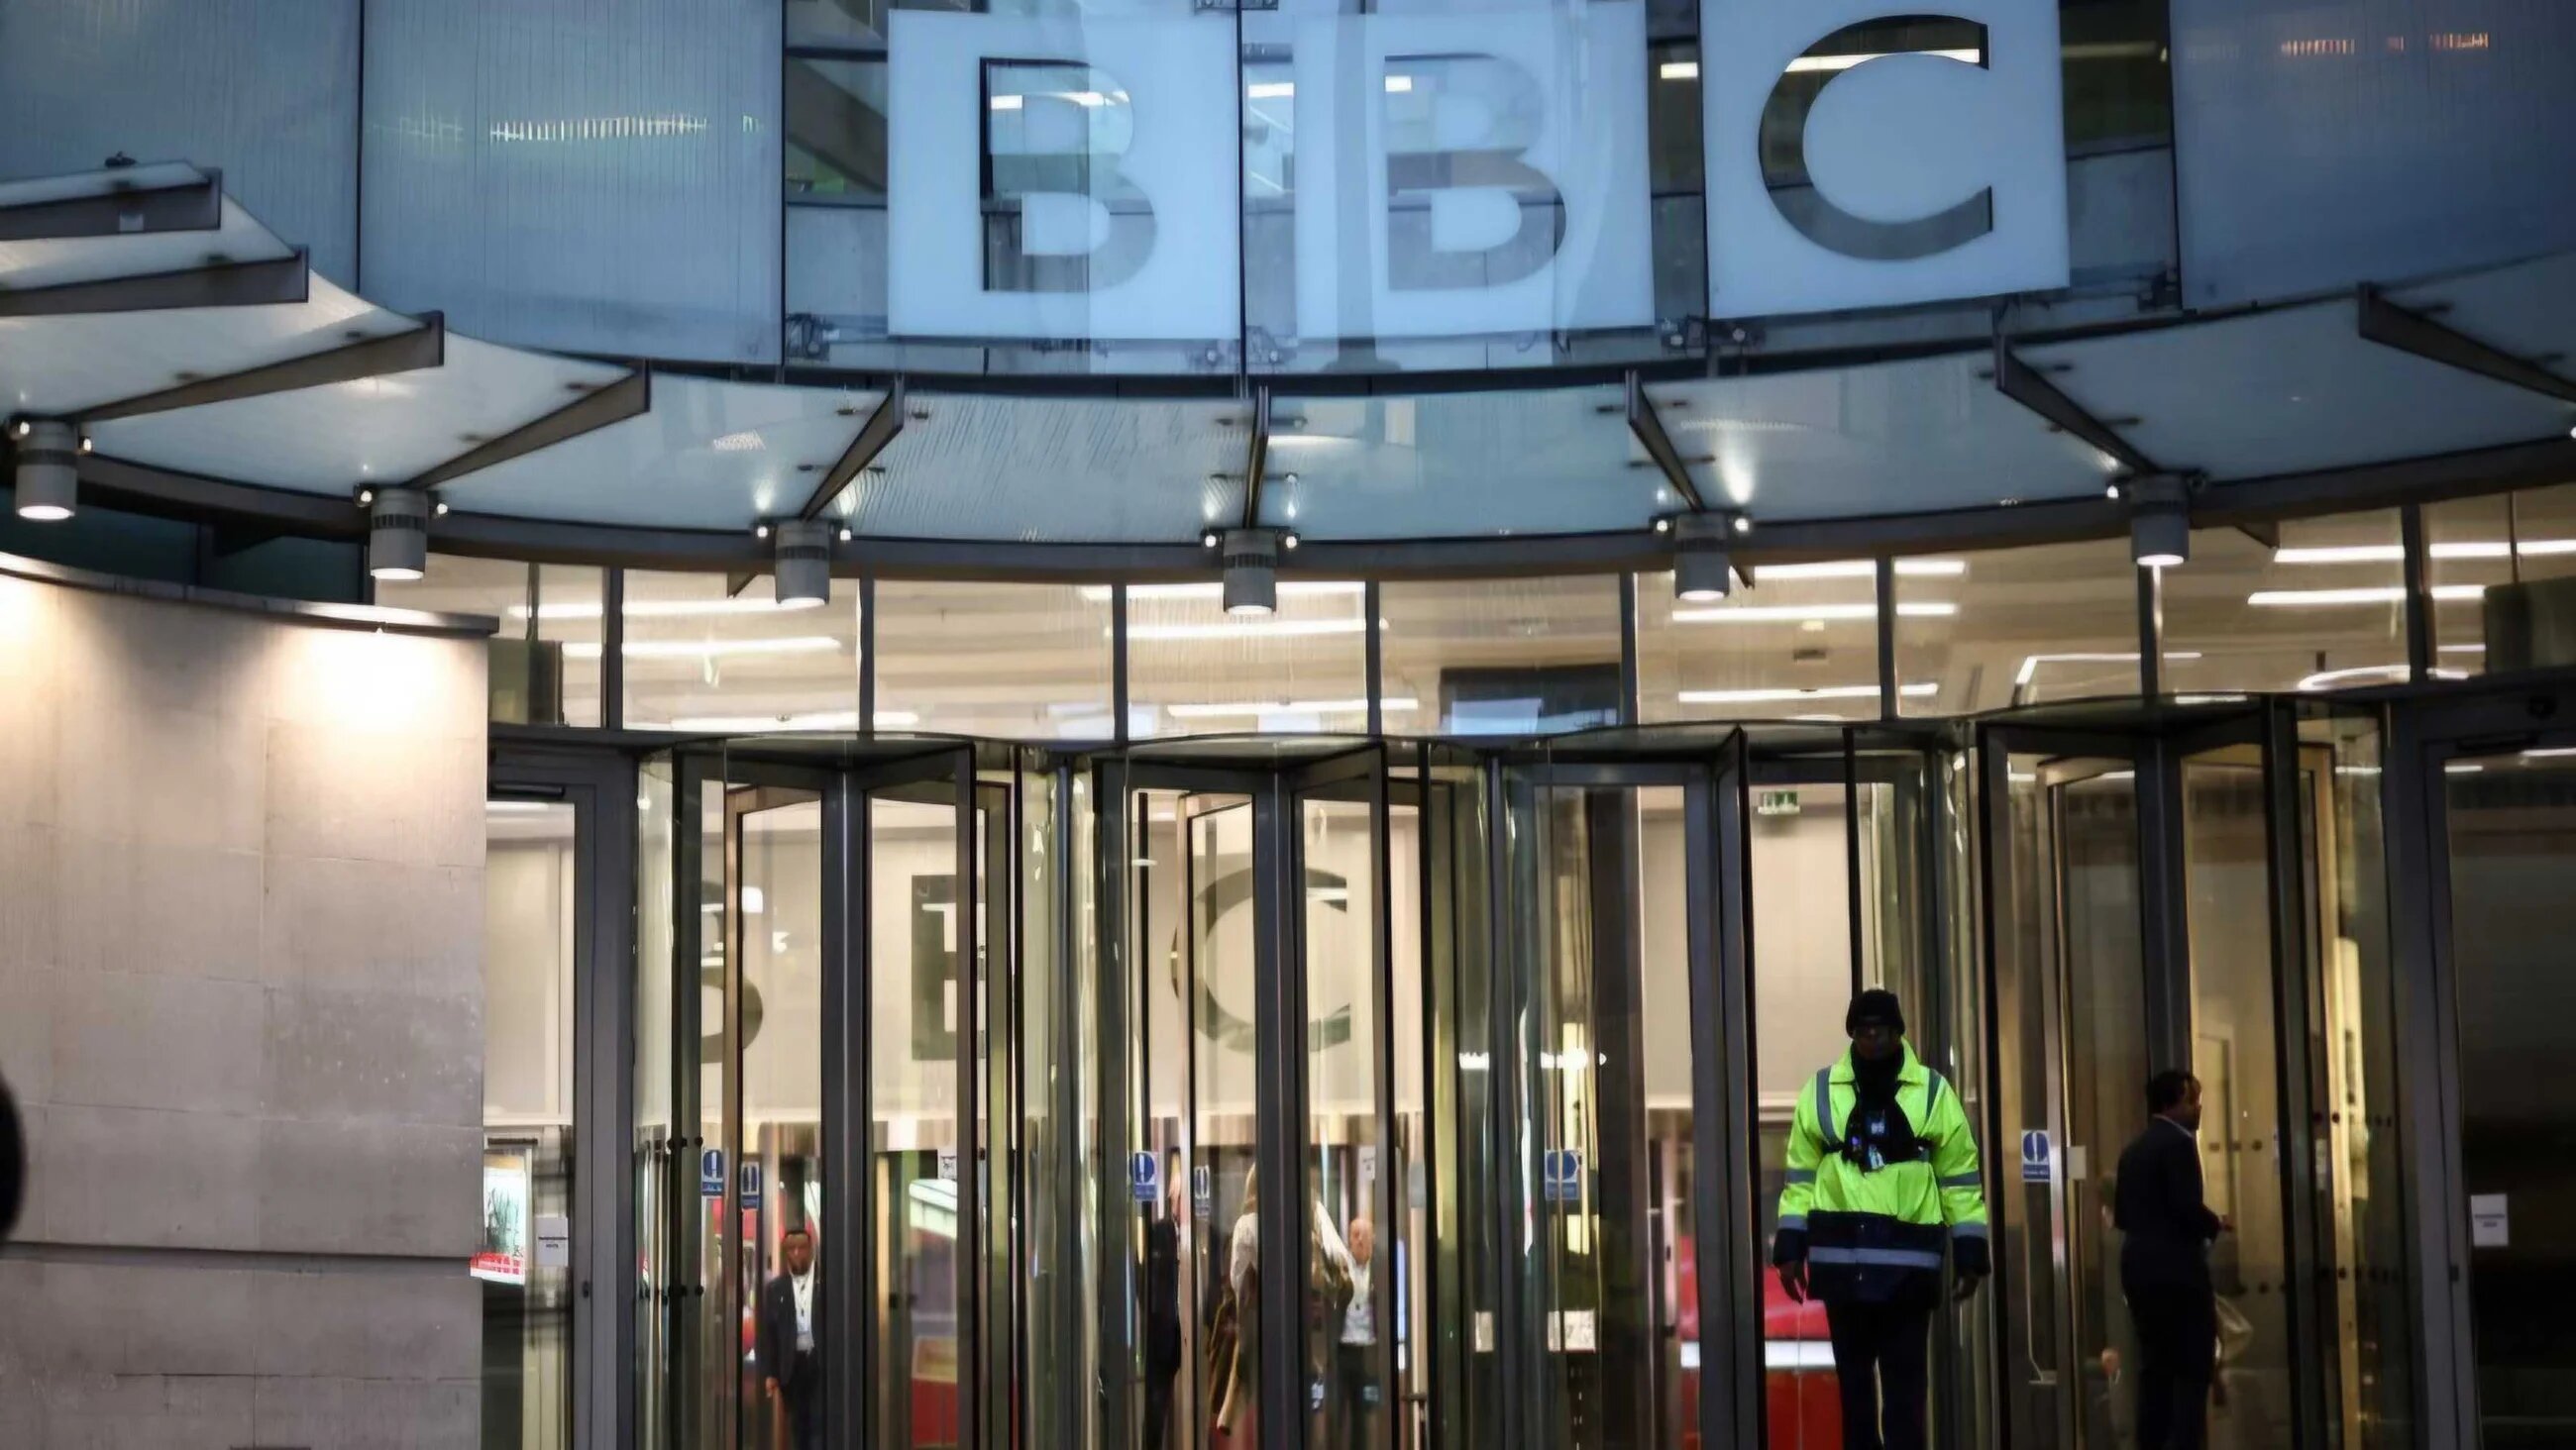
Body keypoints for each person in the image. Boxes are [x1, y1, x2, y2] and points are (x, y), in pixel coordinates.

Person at [1773, 989, 1988, 1450]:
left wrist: (1971, 1251)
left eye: (1882, 1031)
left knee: (1905, 1394)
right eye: (1865, 1031)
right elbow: (1799, 1177)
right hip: (1846, 1264)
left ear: (1898, 1033)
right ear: (1852, 1033)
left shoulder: (1931, 1091)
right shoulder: (1821, 1090)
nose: (1873, 1040)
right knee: (1856, 1395)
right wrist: (1789, 1247)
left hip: (1905, 1267)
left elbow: (1959, 1177)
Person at [2116, 1070, 2227, 1450]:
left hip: (2138, 1271)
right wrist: (2214, 1223)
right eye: (2192, 1100)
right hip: (2178, 1275)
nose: (2198, 1109)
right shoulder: (2178, 1145)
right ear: (2172, 1103)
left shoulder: (2132, 1150)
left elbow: (2123, 1216)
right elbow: (2184, 1207)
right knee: (2192, 1373)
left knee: (2155, 1374)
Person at [758, 1223, 823, 1450]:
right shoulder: (776, 1289)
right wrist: (770, 1374)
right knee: (798, 1428)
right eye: (791, 1249)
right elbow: (769, 1333)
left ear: (810, 1249)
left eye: (801, 1248)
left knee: (818, 1425)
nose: (796, 1253)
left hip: (819, 1363)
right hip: (791, 1366)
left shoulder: (825, 1284)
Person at [1334, 1216, 1378, 1450]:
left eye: (1363, 1234)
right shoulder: (1341, 1267)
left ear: (1373, 1238)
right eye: (1354, 1234)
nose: (1359, 1240)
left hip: (1368, 1352)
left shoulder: (1380, 1269)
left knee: (1365, 1416)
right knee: (1337, 1414)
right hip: (1343, 1350)